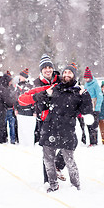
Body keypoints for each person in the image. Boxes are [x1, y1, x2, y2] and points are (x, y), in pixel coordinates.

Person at [33, 63, 93, 192]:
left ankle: (76, 186)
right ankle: (53, 185)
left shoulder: (78, 92)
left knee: (69, 160)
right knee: (48, 160)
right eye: (64, 73)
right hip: (50, 128)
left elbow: (87, 110)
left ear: (73, 76)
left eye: (69, 73)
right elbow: (42, 106)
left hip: (67, 129)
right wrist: (45, 94)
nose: (66, 75)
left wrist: (86, 95)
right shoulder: (55, 89)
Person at [19, 54, 66, 182]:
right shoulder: (35, 84)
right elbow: (21, 100)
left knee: (68, 145)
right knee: (48, 152)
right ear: (41, 70)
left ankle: (58, 166)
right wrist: (41, 95)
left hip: (61, 119)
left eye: (49, 67)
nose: (47, 70)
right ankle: (49, 181)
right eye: (44, 68)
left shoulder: (61, 80)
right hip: (45, 121)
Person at [14, 68, 35, 146]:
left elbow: (34, 98)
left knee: (29, 129)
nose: (20, 77)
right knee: (21, 129)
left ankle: (30, 144)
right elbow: (15, 98)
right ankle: (22, 144)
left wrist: (35, 111)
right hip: (20, 110)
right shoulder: (18, 86)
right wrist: (15, 108)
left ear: (24, 77)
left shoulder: (30, 86)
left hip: (29, 110)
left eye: (21, 76)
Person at [0, 73, 16, 144]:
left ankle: (1, 140)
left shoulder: (0, 87)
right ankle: (1, 141)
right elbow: (7, 100)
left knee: (0, 126)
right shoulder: (2, 88)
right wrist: (13, 103)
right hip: (1, 110)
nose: (10, 83)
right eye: (9, 81)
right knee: (1, 126)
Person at [83, 67, 103, 147]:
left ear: (90, 77)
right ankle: (91, 141)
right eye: (85, 78)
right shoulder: (86, 85)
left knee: (94, 125)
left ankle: (94, 142)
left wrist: (97, 108)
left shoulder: (95, 84)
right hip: (88, 107)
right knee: (89, 124)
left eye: (87, 78)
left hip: (94, 107)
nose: (86, 79)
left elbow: (100, 96)